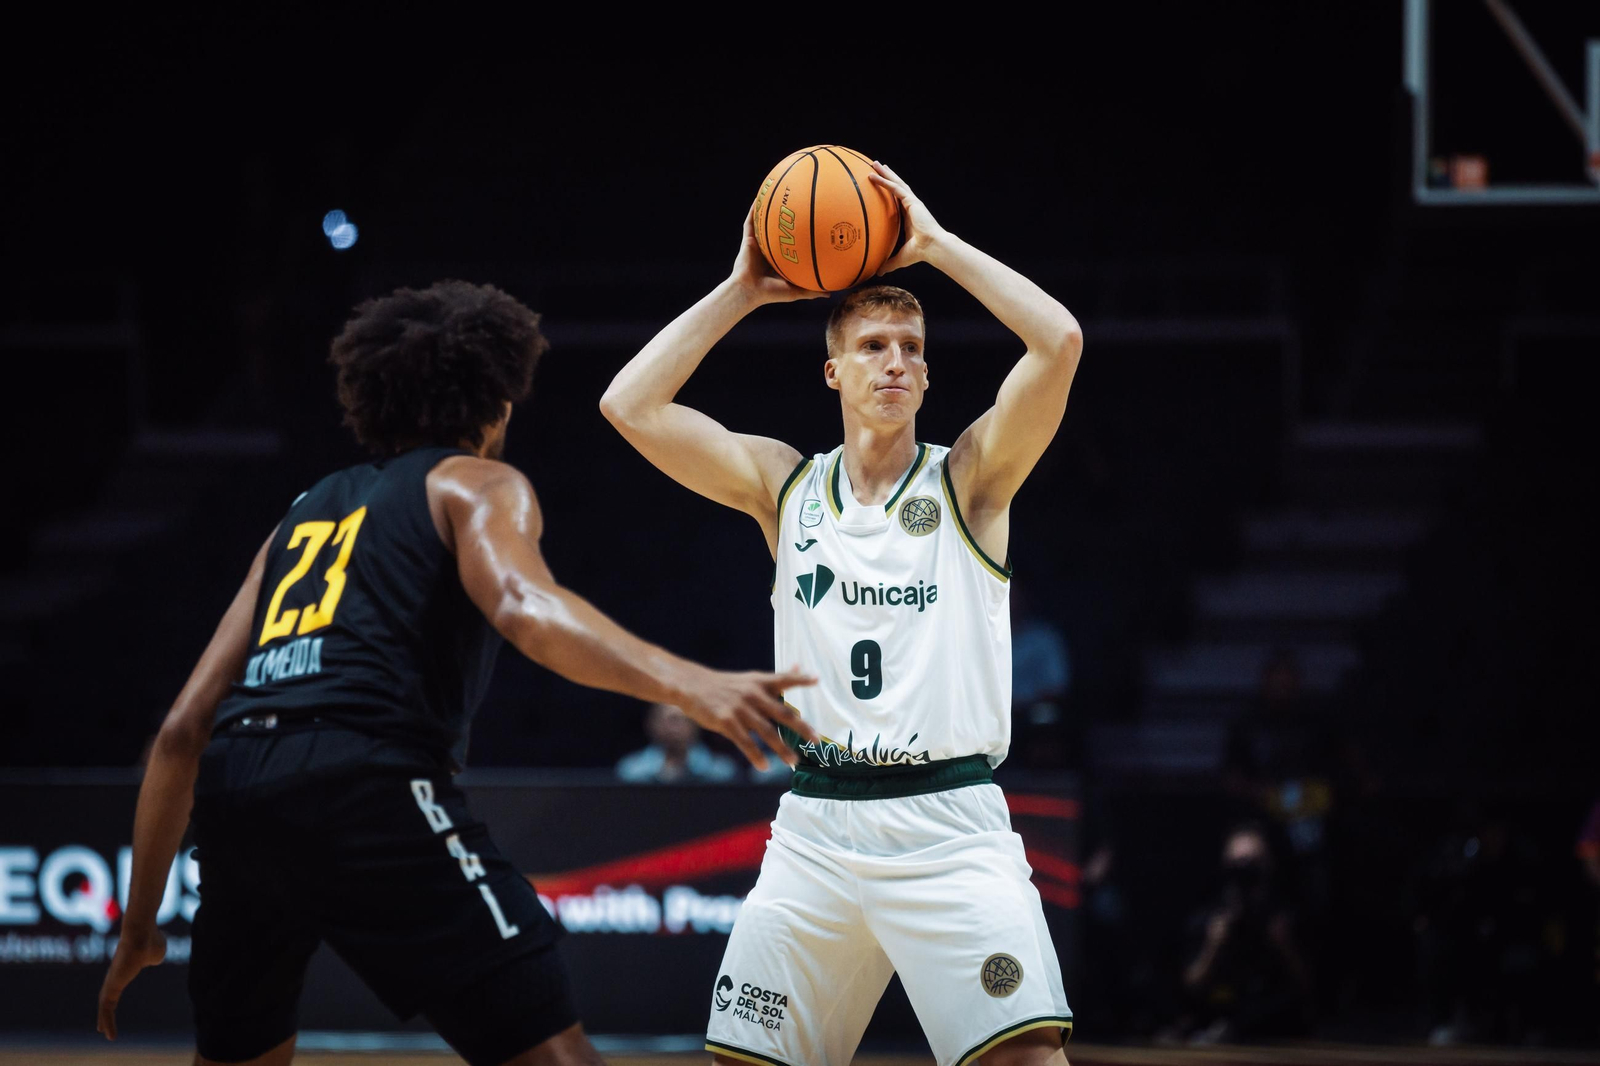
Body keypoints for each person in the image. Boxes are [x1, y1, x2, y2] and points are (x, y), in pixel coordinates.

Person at [95, 281, 816, 1066]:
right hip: (364, 778)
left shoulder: (300, 513)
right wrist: (691, 683)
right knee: (551, 1053)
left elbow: (180, 732)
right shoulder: (476, 483)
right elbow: (523, 607)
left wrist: (139, 926)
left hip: (240, 793)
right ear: (498, 404)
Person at [603, 161, 1082, 1066]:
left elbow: (1057, 343)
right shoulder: (786, 489)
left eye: (910, 345)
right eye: (872, 346)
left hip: (947, 826)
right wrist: (742, 289)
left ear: (930, 374)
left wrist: (935, 244)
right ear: (833, 370)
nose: (894, 360)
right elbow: (627, 404)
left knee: (1024, 1060)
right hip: (817, 824)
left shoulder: (971, 480)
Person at [1177, 824, 1312, 1043]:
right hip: (1217, 1028)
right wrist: (1213, 946)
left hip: (1279, 1036)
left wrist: (1285, 946)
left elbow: (1309, 990)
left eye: (1253, 863)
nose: (1245, 871)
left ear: (1268, 865)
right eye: (1238, 863)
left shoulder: (1286, 917)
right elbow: (1191, 986)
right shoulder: (1209, 918)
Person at [616, 702, 739, 783]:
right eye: (670, 720)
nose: (674, 728)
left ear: (696, 724)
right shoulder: (632, 771)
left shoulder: (721, 771)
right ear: (651, 724)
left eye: (682, 720)